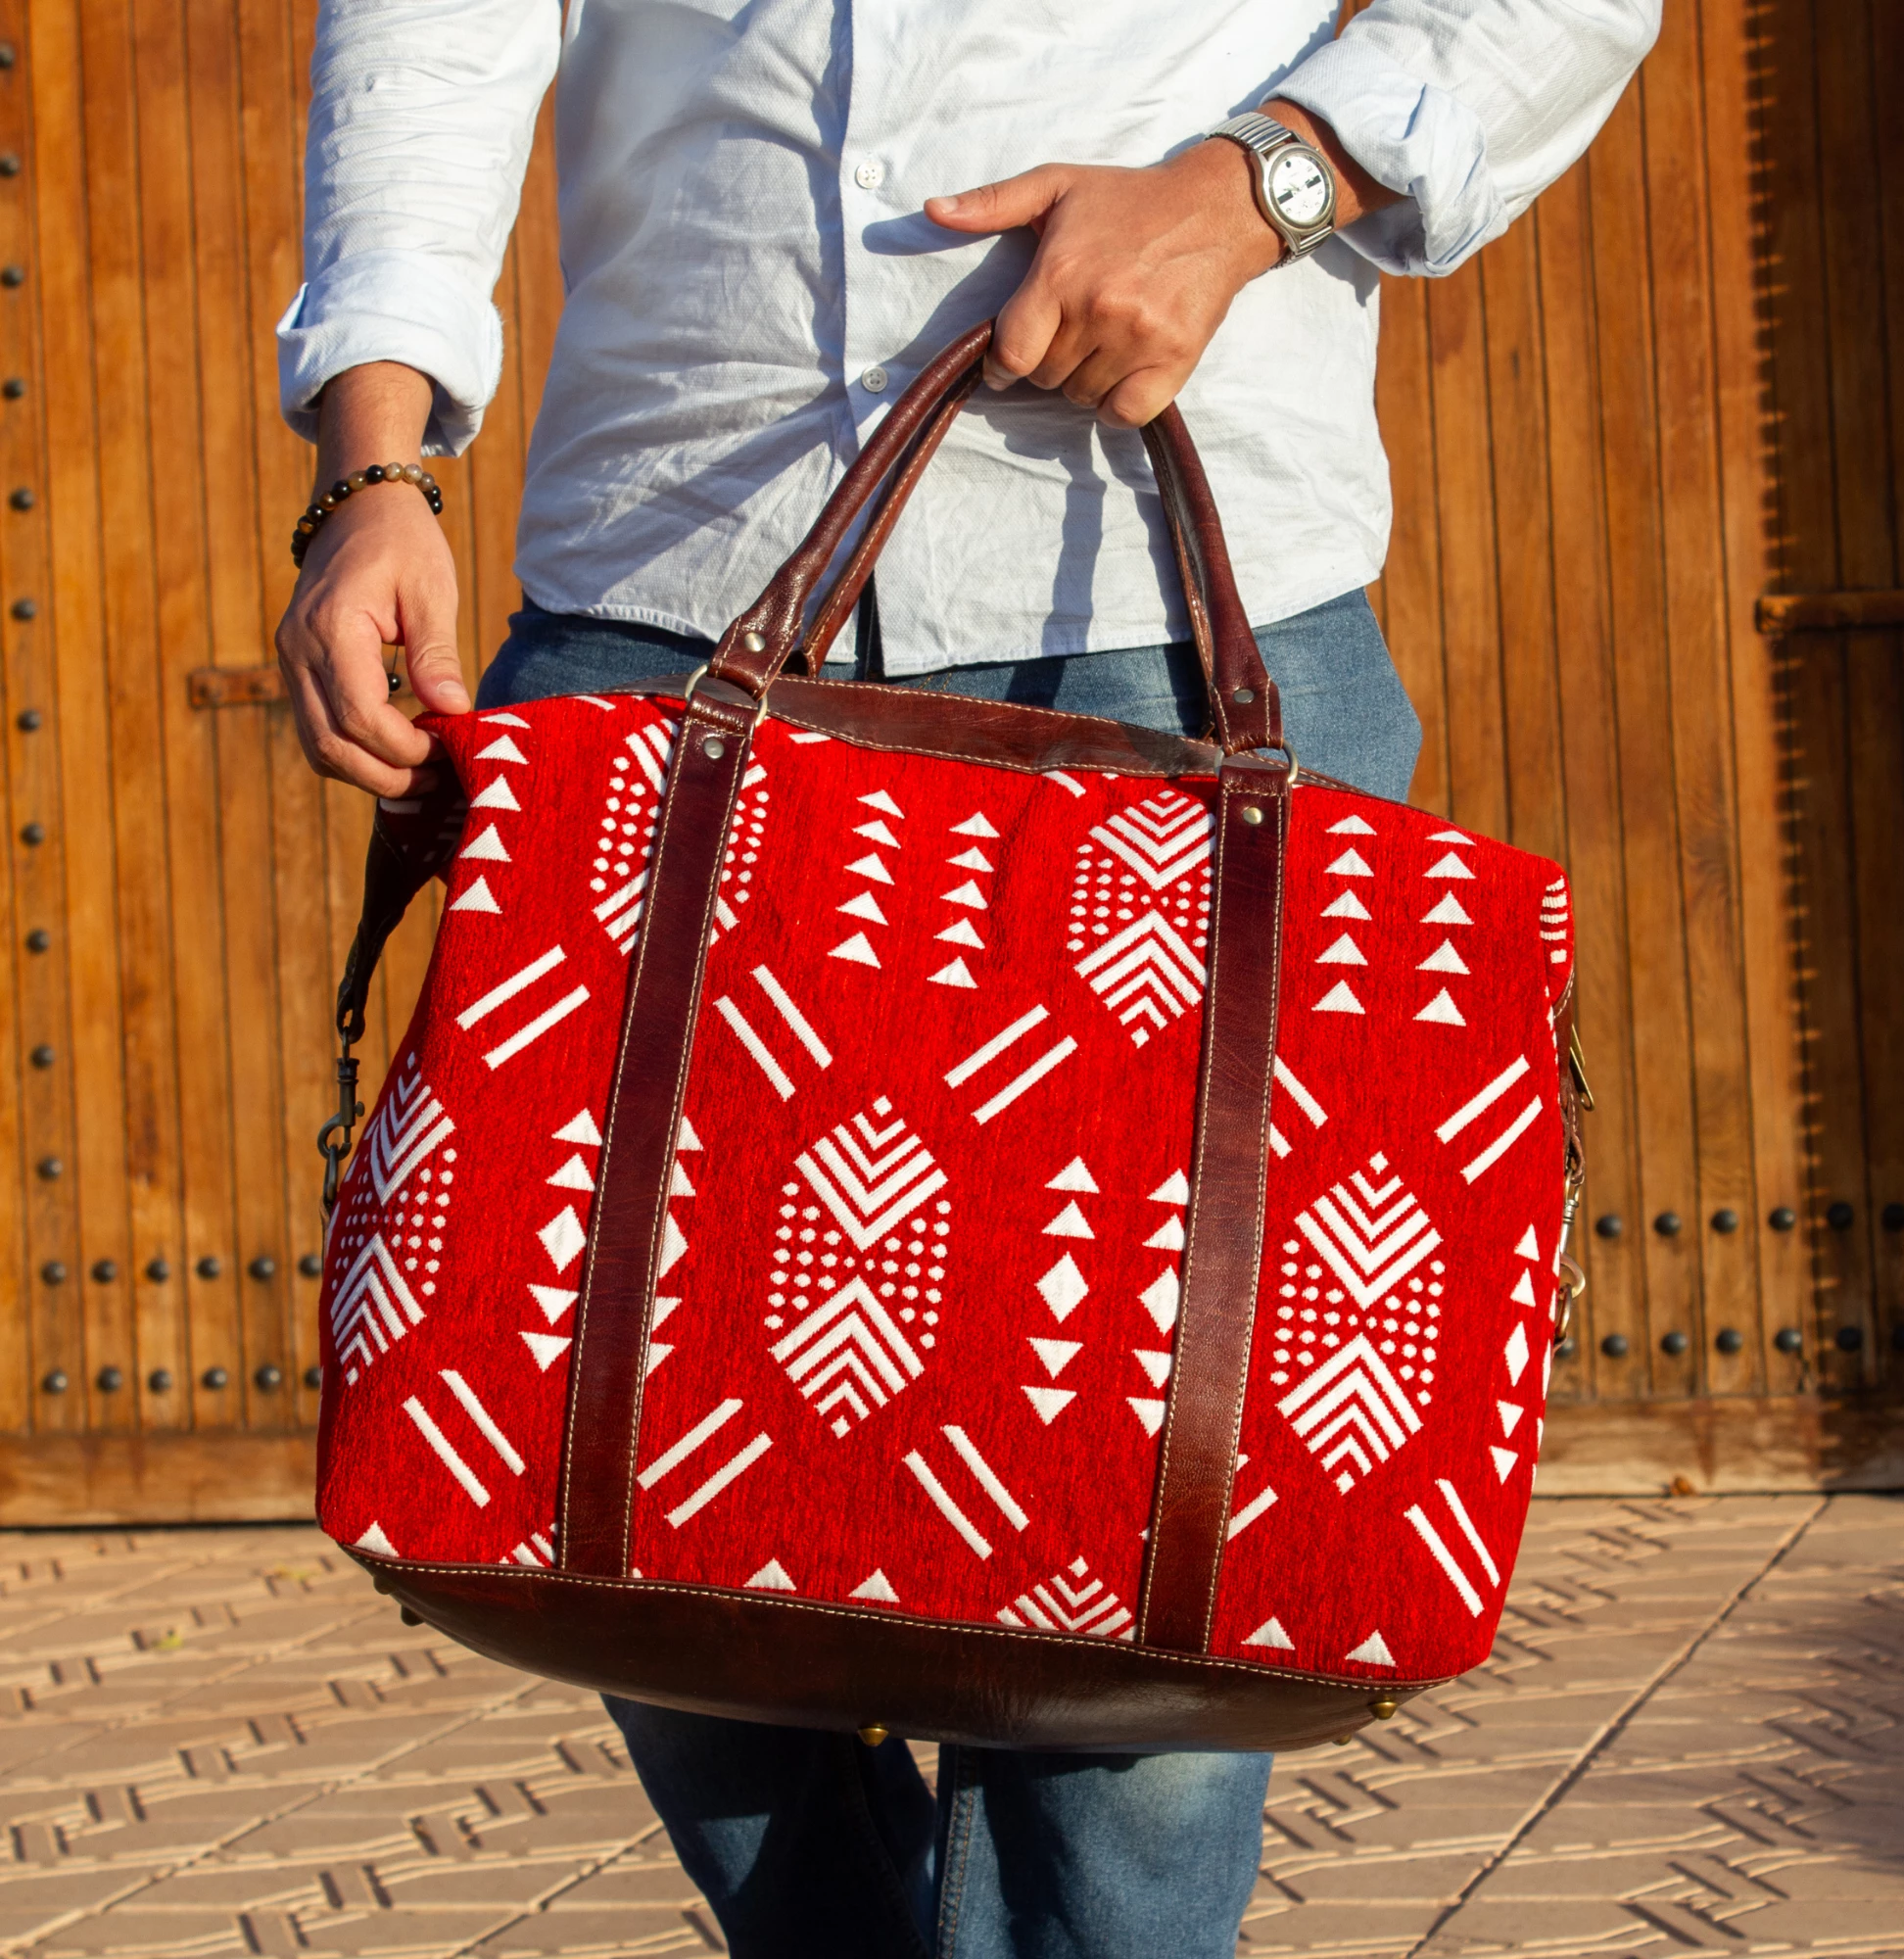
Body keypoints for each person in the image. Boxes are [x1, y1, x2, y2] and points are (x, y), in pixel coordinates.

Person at [275, 1, 1658, 1950]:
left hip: (1169, 625)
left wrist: (1267, 181)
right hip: (670, 568)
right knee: (605, 1525)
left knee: (1152, 1677)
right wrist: (377, 459)